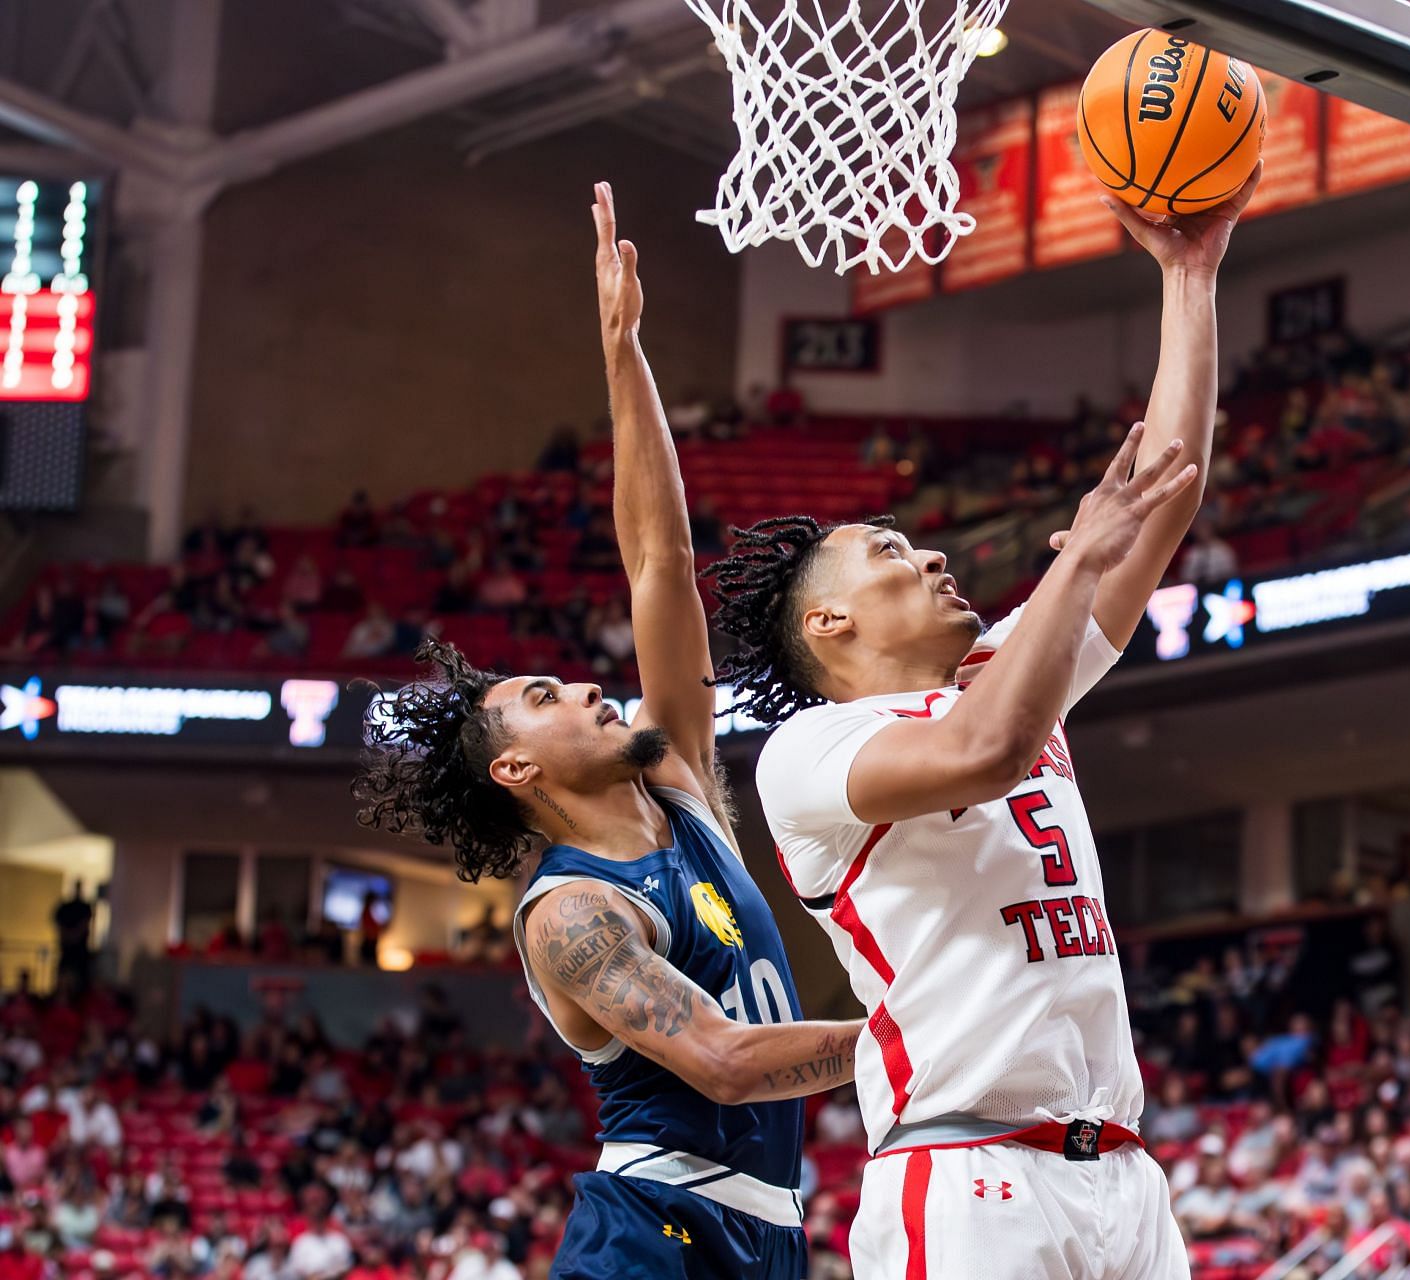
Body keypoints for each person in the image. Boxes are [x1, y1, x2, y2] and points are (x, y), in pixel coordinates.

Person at [707, 168, 1259, 1280]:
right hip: (967, 1175)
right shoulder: (809, 754)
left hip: (1124, 1175)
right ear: (830, 619)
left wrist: (1190, 276)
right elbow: (986, 750)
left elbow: (1166, 490)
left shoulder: (1011, 668)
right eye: (896, 555)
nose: (936, 555)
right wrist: (1083, 556)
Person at [353, 183, 860, 1280]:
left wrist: (624, 355)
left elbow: (660, 563)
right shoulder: (575, 912)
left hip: (767, 1230)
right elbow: (722, 1062)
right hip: (653, 1232)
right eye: (541, 695)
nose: (583, 685)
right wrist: (924, 1037)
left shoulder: (678, 781)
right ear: (517, 766)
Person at [51, 884, 93, 992]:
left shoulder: (84, 907)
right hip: (69, 951)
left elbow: (84, 925)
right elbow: (58, 923)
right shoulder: (66, 907)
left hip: (79, 954)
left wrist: (72, 936)